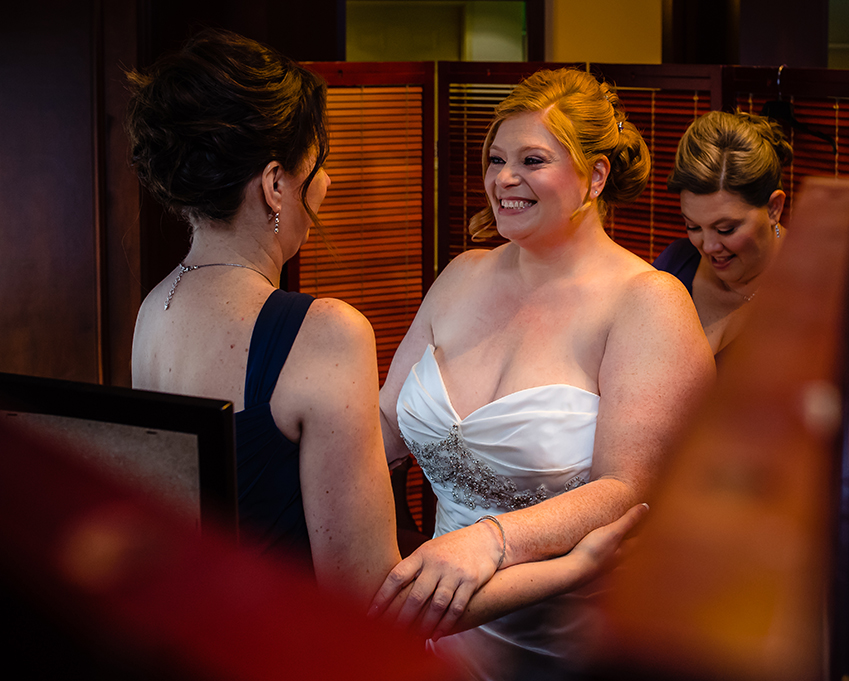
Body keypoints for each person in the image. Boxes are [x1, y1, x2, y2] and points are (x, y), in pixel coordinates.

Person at [127, 31, 646, 617]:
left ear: (595, 176)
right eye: (316, 166)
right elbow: (375, 602)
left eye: (532, 161)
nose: (327, 184)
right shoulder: (326, 331)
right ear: (275, 185)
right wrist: (572, 569)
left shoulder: (156, 307)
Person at [373, 68, 715, 679]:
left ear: (596, 175)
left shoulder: (646, 302)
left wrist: (491, 539)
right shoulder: (461, 276)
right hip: (434, 632)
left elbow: (628, 489)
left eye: (532, 159)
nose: (504, 178)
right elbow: (383, 429)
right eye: (496, 158)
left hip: (568, 645)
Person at [653, 110, 792, 358]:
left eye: (726, 229)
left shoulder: (820, 287)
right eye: (693, 226)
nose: (708, 247)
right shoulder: (675, 265)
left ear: (774, 208)